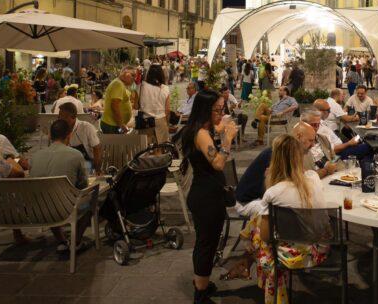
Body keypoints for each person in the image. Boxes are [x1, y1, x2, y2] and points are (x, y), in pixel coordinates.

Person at [246, 134, 330, 304]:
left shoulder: (273, 193)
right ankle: (248, 264)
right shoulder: (313, 177)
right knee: (256, 224)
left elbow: (266, 237)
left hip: (293, 255)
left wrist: (269, 182)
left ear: (274, 160)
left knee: (259, 238)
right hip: (320, 249)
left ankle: (271, 291)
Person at [179, 89, 238, 303]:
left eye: (222, 109)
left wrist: (223, 126)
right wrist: (227, 140)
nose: (221, 114)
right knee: (207, 245)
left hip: (204, 194)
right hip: (207, 198)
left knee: (204, 242)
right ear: (204, 109)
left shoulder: (198, 128)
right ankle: (200, 295)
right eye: (217, 110)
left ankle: (200, 283)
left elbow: (219, 126)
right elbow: (218, 163)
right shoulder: (201, 134)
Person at [29, 119, 91, 251]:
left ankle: (62, 240)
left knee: (48, 196)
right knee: (91, 200)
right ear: (69, 135)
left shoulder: (35, 156)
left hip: (36, 210)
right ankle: (76, 242)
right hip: (64, 209)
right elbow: (83, 186)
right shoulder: (76, 155)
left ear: (50, 136)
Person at [58, 102, 102, 174]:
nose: (60, 119)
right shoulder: (60, 128)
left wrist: (97, 170)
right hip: (67, 163)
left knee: (80, 174)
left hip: (86, 164)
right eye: (59, 117)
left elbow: (97, 148)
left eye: (62, 117)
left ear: (72, 117)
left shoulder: (86, 127)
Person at [138, 64, 171, 143]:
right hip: (160, 120)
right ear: (161, 74)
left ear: (148, 74)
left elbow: (136, 104)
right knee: (161, 146)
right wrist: (167, 123)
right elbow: (167, 110)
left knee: (146, 146)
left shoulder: (142, 86)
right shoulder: (165, 88)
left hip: (145, 121)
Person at [100, 66, 136, 134]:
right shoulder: (118, 84)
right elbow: (114, 107)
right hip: (112, 125)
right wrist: (121, 124)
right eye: (133, 75)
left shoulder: (120, 83)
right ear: (126, 74)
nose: (134, 78)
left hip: (114, 124)